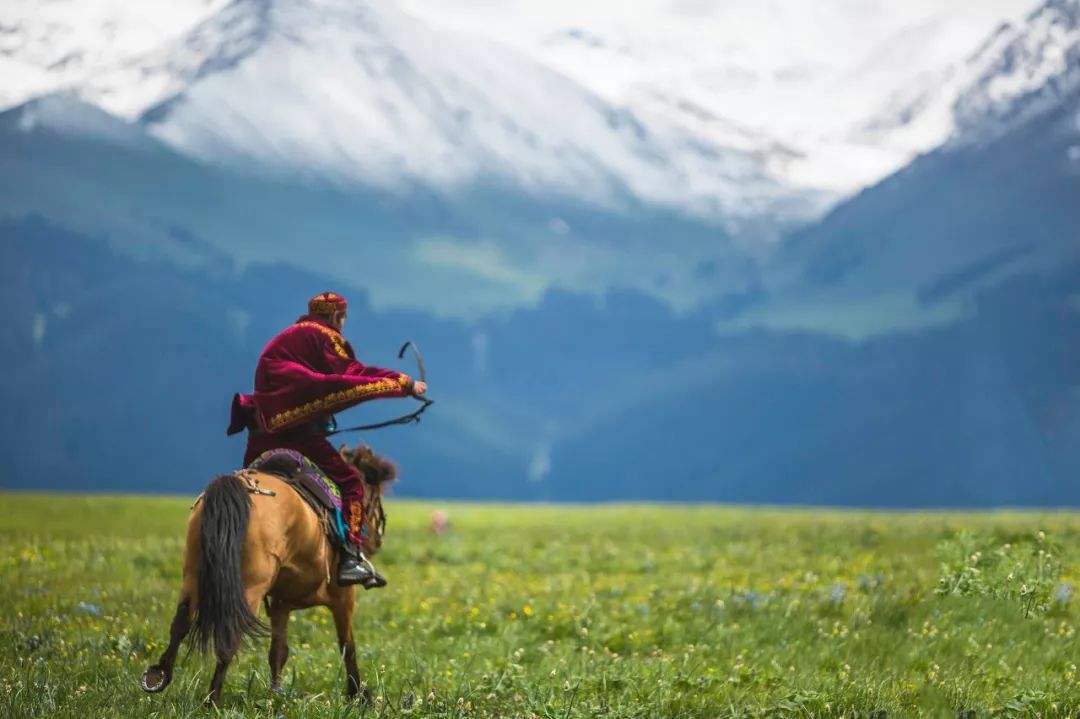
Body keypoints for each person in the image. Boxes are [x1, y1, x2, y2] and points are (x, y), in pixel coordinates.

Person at [227, 291, 428, 587]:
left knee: (246, 484)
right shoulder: (326, 337)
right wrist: (405, 384)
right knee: (350, 485)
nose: (343, 324)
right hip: (297, 438)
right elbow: (354, 374)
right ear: (336, 316)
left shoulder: (285, 337)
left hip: (260, 436)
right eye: (343, 319)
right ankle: (351, 557)